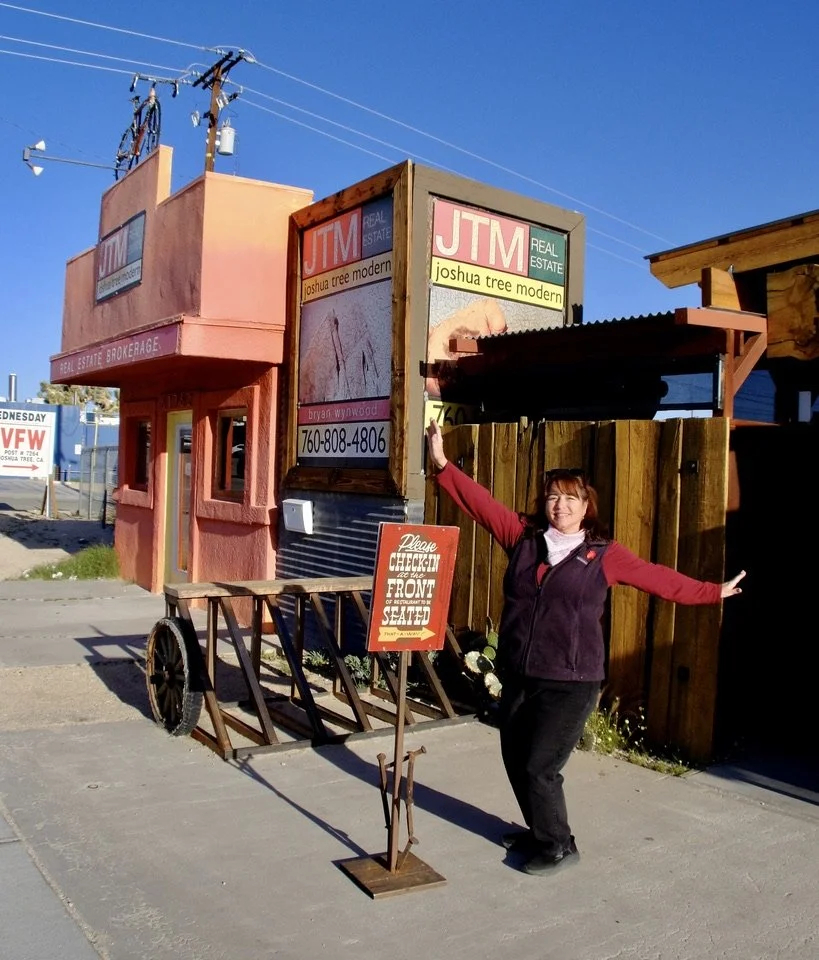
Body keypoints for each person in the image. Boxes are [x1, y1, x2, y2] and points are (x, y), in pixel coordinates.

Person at [425, 419, 745, 877]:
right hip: (520, 671)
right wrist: (441, 464)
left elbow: (659, 579)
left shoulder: (604, 554)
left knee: (540, 766)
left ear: (585, 505)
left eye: (570, 498)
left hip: (570, 681)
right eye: (554, 496)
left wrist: (712, 592)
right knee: (515, 757)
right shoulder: (524, 539)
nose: (560, 505)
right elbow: (481, 505)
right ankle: (540, 830)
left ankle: (558, 845)